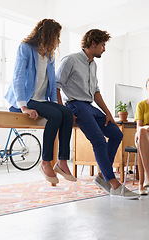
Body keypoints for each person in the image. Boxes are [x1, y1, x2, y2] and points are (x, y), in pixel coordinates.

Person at [56, 29, 139, 199]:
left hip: (89, 105)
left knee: (116, 133)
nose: (104, 49)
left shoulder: (93, 64)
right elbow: (56, 86)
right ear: (93, 43)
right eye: (102, 45)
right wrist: (63, 111)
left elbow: (96, 92)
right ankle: (113, 182)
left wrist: (108, 113)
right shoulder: (70, 60)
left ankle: (102, 175)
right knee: (99, 141)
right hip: (75, 105)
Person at [5, 19, 76, 185]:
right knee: (56, 115)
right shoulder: (26, 49)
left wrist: (56, 104)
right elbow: (18, 78)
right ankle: (45, 162)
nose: (58, 41)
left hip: (40, 100)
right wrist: (23, 107)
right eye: (57, 36)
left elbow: (51, 84)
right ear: (49, 35)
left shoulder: (49, 55)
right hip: (24, 100)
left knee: (65, 112)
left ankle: (62, 161)